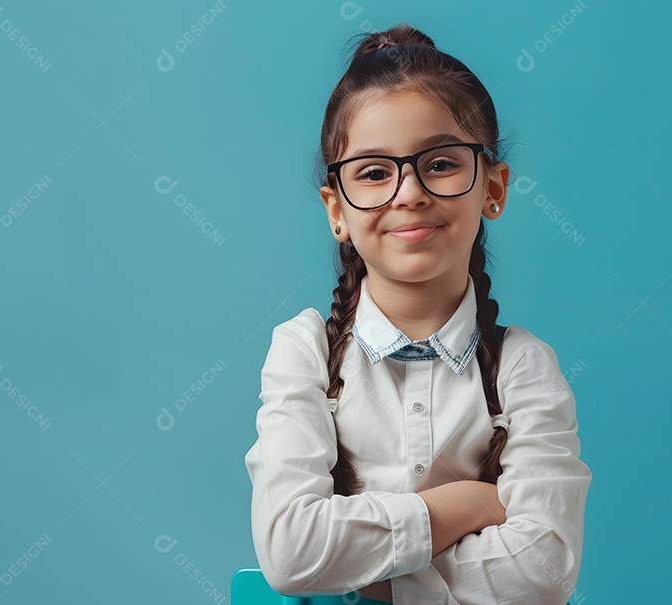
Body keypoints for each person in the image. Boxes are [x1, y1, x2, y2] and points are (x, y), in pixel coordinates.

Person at [243, 23, 592, 605]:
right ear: (336, 209)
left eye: (440, 163)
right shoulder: (304, 351)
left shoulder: (524, 367)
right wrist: (467, 505)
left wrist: (368, 578)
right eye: (375, 172)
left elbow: (543, 570)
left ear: (494, 188)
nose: (409, 192)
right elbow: (290, 551)